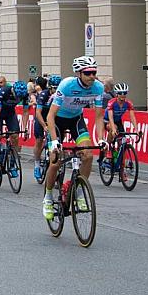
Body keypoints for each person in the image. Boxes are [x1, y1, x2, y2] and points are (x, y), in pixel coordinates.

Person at [43, 56, 105, 220]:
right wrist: (55, 141)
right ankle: (48, 197)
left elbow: (99, 117)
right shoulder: (67, 85)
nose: (92, 76)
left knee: (88, 155)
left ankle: (78, 191)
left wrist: (101, 139)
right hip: (57, 121)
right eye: (88, 73)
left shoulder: (98, 87)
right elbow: (50, 116)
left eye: (94, 72)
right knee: (55, 161)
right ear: (79, 73)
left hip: (76, 120)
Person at [0, 80, 30, 176]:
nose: (18, 98)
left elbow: (25, 112)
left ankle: (12, 164)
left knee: (15, 136)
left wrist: (25, 128)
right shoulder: (4, 92)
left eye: (20, 97)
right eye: (17, 96)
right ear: (13, 90)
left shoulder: (24, 94)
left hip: (10, 113)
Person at [33, 75, 61, 181]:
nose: (56, 91)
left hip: (53, 118)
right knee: (39, 140)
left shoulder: (60, 96)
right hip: (41, 118)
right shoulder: (43, 95)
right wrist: (44, 126)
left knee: (56, 141)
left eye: (58, 88)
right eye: (54, 88)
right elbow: (38, 113)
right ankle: (37, 164)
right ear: (50, 88)